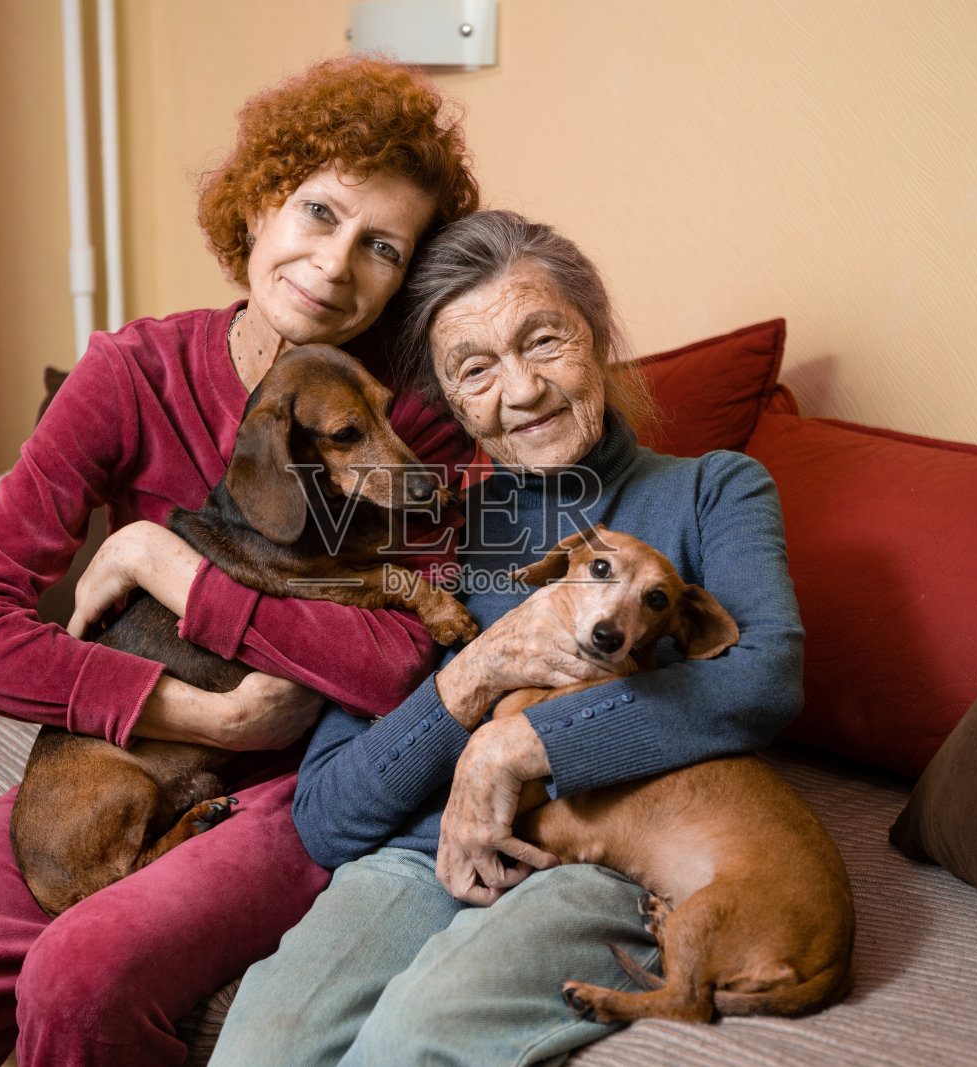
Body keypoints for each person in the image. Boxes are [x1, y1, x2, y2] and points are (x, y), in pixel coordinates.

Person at [0, 57, 479, 1067]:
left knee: (78, 984)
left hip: (306, 784)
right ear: (257, 207)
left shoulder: (408, 426)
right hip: (135, 749)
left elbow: (395, 662)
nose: (335, 264)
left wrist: (171, 567)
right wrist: (208, 712)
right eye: (318, 211)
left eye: (380, 245)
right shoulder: (131, 374)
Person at [208, 209, 806, 1066]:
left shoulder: (715, 489)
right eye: (475, 368)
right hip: (415, 852)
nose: (520, 390)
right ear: (448, 398)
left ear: (598, 340)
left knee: (414, 1036)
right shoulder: (422, 532)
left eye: (544, 341)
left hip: (605, 859)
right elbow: (327, 813)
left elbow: (765, 678)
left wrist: (514, 746)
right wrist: (476, 672)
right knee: (264, 1043)